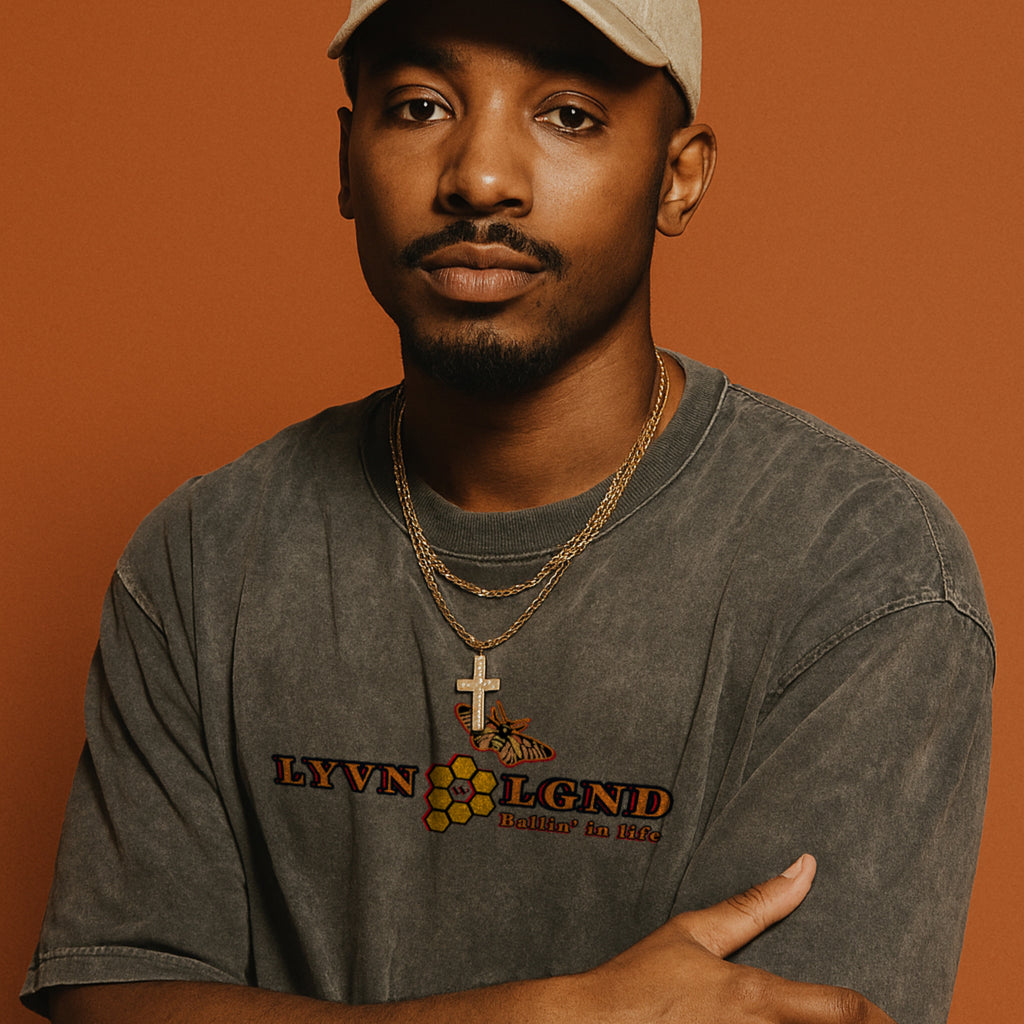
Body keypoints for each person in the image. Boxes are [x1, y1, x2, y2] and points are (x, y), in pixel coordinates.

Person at [23, 1, 993, 1022]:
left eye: (567, 113)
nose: (478, 177)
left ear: (679, 173)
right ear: (347, 158)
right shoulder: (205, 554)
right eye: (418, 104)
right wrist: (553, 1015)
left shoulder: (863, 572)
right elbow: (115, 996)